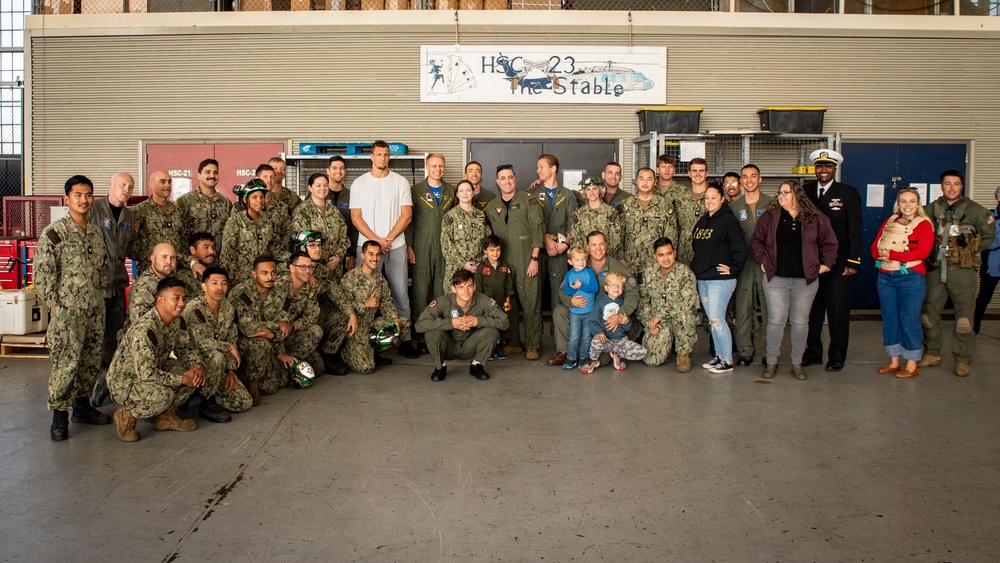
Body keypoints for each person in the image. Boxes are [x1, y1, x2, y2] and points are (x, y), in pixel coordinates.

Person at [35, 175, 110, 441]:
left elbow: (102, 270)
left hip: (93, 310)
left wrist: (100, 298)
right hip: (68, 313)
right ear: (67, 198)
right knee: (66, 365)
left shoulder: (96, 232)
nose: (84, 200)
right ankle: (59, 416)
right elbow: (43, 275)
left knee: (90, 362)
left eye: (88, 195)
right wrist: (55, 305)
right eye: (78, 195)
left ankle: (82, 407)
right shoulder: (55, 233)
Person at [752, 179, 838, 380]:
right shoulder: (770, 216)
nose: (781, 196)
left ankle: (796, 363)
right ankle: (771, 362)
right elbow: (757, 240)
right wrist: (762, 261)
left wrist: (826, 265)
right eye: (779, 193)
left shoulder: (815, 218)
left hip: (805, 281)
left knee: (800, 322)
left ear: (796, 195)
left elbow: (830, 243)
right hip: (776, 279)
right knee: (775, 321)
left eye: (785, 193)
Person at [918, 170, 996, 377]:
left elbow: (989, 237)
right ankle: (932, 353)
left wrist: (971, 252)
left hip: (963, 272)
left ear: (962, 186)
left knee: (964, 318)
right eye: (947, 184)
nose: (952, 188)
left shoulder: (977, 211)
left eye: (956, 184)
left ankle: (962, 359)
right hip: (935, 269)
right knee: (927, 314)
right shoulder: (929, 210)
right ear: (941, 186)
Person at [108, 278, 205, 442]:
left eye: (184, 298)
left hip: (154, 369)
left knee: (194, 375)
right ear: (160, 300)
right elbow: (146, 374)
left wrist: (197, 366)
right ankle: (127, 415)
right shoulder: (145, 330)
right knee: (165, 395)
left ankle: (165, 416)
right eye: (176, 298)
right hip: (126, 382)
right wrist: (182, 379)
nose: (182, 303)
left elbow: (185, 348)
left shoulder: (176, 320)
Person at [349, 140, 418, 358]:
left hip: (395, 245)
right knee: (367, 295)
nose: (383, 158)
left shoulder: (400, 182)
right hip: (368, 247)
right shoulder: (359, 184)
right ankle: (369, 343)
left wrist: (388, 238)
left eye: (386, 155)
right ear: (371, 157)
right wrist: (376, 242)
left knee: (400, 294)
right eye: (379, 154)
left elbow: (406, 215)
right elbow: (356, 218)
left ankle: (405, 340)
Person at [802, 149, 863, 372]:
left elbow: (855, 230)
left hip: (839, 264)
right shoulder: (806, 191)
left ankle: (836, 356)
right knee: (812, 312)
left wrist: (853, 261)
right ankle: (813, 353)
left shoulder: (847, 193)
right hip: (813, 263)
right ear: (815, 169)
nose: (823, 170)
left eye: (828, 166)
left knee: (837, 313)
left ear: (835, 169)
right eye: (820, 166)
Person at [550, 230, 639, 366]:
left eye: (601, 244)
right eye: (594, 245)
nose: (598, 249)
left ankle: (591, 351)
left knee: (601, 360)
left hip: (604, 319)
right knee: (560, 311)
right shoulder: (579, 264)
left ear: (607, 245)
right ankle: (564, 352)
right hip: (581, 310)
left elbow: (632, 294)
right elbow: (563, 290)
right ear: (587, 247)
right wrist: (571, 301)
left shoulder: (617, 267)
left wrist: (620, 315)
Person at [871, 188, 934, 378]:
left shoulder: (924, 225)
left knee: (909, 319)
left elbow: (923, 252)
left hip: (910, 277)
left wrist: (892, 255)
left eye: (912, 201)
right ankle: (894, 361)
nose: (907, 205)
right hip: (886, 276)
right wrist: (877, 255)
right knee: (890, 319)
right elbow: (876, 245)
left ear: (918, 204)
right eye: (903, 201)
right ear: (898, 204)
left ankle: (912, 364)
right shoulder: (890, 221)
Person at [484, 164, 545, 360]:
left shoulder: (529, 200)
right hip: (503, 261)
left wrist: (534, 258)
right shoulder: (492, 206)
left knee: (531, 302)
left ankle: (533, 344)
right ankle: (514, 342)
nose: (507, 181)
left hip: (526, 258)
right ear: (497, 181)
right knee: (508, 302)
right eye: (502, 178)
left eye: (510, 177)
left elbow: (538, 231)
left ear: (515, 179)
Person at [87, 171, 137, 408]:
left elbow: (130, 249)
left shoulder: (129, 215)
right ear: (110, 185)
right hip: (95, 287)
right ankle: (86, 392)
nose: (126, 189)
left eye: (130, 186)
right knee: (92, 339)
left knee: (113, 338)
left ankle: (105, 382)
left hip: (117, 285)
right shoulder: (94, 209)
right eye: (122, 185)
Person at [182, 265, 253, 421]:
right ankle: (207, 402)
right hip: (194, 361)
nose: (220, 287)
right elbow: (195, 342)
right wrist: (226, 347)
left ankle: (204, 390)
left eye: (224, 283)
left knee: (244, 402)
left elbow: (231, 339)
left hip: (218, 365)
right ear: (203, 286)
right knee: (216, 356)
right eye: (214, 283)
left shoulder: (228, 309)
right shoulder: (193, 309)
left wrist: (230, 371)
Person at [690, 183, 747, 373]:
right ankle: (719, 356)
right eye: (707, 197)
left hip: (720, 281)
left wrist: (733, 268)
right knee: (711, 320)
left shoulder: (728, 221)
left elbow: (741, 248)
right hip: (703, 278)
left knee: (717, 319)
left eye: (714, 197)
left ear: (722, 199)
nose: (709, 201)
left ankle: (728, 360)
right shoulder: (703, 221)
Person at [414, 269, 510, 382]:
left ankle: (477, 365)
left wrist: (478, 321)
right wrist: (451, 323)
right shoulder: (443, 301)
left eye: (469, 286)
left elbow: (505, 322)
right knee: (432, 332)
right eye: (461, 287)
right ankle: (440, 367)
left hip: (471, 346)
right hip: (448, 346)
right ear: (453, 288)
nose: (466, 291)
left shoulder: (484, 300)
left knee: (492, 332)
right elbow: (419, 325)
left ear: (474, 286)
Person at [406, 153, 455, 353]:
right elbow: (408, 219)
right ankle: (419, 336)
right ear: (427, 167)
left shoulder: (450, 190)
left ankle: (440, 334)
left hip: (444, 247)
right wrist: (409, 246)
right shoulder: (415, 190)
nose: (438, 169)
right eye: (434, 165)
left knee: (441, 290)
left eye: (441, 166)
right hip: (421, 245)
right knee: (420, 290)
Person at [339, 241, 411, 374]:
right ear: (362, 255)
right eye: (370, 254)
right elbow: (342, 306)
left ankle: (372, 350)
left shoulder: (379, 279)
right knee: (366, 368)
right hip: (354, 331)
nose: (375, 258)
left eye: (378, 255)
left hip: (371, 326)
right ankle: (346, 352)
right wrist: (364, 304)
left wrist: (394, 319)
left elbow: (387, 302)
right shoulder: (350, 278)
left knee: (403, 323)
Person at [229, 255, 291, 405]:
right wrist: (275, 325)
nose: (270, 277)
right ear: (254, 274)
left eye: (273, 272)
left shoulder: (281, 293)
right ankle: (252, 382)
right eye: (264, 273)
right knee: (259, 343)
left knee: (275, 385)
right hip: (241, 343)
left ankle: (256, 374)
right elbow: (249, 329)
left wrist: (273, 334)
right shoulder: (241, 293)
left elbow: (286, 326)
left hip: (270, 342)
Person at [291, 231, 350, 376]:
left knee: (318, 368)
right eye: (312, 245)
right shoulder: (287, 271)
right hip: (288, 326)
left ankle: (328, 354)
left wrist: (352, 314)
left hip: (307, 322)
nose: (317, 249)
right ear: (302, 248)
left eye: (319, 245)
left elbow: (337, 294)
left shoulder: (323, 271)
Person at [639, 238, 698, 372]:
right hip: (658, 322)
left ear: (675, 253)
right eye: (661, 255)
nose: (666, 258)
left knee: (684, 317)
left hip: (678, 318)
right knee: (652, 360)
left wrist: (659, 315)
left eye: (669, 253)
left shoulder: (685, 273)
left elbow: (687, 302)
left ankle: (683, 354)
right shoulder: (648, 274)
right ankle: (668, 343)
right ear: (655, 256)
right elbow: (643, 301)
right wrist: (649, 322)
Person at [730, 164, 768, 367]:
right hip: (744, 263)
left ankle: (770, 352)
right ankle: (745, 350)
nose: (749, 180)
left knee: (770, 308)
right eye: (745, 177)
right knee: (743, 307)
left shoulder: (772, 204)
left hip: (766, 263)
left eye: (753, 176)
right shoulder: (735, 207)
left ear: (760, 179)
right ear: (741, 181)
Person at [532, 154, 579, 311]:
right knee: (534, 296)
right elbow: (530, 222)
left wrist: (566, 244)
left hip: (560, 251)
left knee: (559, 295)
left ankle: (558, 335)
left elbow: (574, 223)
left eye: (541, 167)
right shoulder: (532, 193)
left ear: (553, 168)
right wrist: (545, 239)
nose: (538, 170)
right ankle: (534, 336)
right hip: (537, 250)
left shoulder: (567, 195)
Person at [618, 167, 677, 283]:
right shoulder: (625, 205)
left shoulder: (665, 206)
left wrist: (667, 260)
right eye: (641, 179)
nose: (645, 183)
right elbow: (618, 234)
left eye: (649, 179)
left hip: (656, 264)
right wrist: (621, 258)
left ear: (655, 182)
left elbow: (671, 236)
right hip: (630, 263)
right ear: (636, 181)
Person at [272, 251, 327, 376]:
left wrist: (295, 326)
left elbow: (312, 315)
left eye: (310, 267)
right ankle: (279, 362)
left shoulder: (309, 287)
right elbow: (273, 321)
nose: (307, 271)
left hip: (291, 333)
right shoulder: (280, 286)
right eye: (303, 267)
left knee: (318, 367)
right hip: (274, 337)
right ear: (291, 268)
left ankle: (289, 362)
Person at [580, 271, 646, 373]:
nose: (616, 288)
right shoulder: (600, 303)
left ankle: (618, 355)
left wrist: (627, 322)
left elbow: (627, 328)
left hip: (620, 340)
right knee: (596, 342)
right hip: (606, 340)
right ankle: (593, 360)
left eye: (620, 286)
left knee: (643, 352)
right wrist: (599, 332)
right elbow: (592, 322)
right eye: (613, 285)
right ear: (606, 288)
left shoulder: (623, 303)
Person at [220, 179, 280, 288]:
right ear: (245, 199)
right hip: (242, 281)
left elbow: (274, 249)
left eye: (262, 197)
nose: (259, 201)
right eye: (254, 197)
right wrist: (233, 279)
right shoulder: (235, 222)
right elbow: (227, 255)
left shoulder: (267, 222)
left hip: (264, 280)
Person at [291, 172, 351, 277]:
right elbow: (302, 243)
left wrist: (338, 256)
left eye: (325, 185)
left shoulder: (334, 211)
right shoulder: (302, 212)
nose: (322, 188)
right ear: (310, 187)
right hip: (313, 270)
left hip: (335, 268)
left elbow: (344, 238)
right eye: (318, 185)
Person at [176, 158, 232, 264]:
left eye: (215, 173)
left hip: (218, 262)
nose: (212, 175)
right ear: (199, 175)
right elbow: (180, 235)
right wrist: (189, 261)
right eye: (207, 172)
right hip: (194, 263)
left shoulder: (226, 202)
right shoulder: (185, 201)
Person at [441, 179, 490, 295]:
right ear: (457, 194)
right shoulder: (450, 216)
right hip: (456, 270)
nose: (465, 193)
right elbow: (446, 246)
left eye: (468, 190)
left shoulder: (480, 215)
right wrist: (463, 264)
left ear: (473, 193)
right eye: (461, 191)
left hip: (477, 270)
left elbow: (488, 242)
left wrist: (480, 262)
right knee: (454, 306)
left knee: (476, 305)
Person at [133, 170, 186, 274]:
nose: (167, 185)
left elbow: (183, 239)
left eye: (169, 182)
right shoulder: (140, 211)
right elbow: (131, 243)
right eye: (162, 182)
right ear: (151, 184)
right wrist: (146, 257)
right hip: (150, 270)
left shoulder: (177, 211)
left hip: (174, 270)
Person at [475, 235, 516, 359]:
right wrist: (483, 304)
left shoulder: (504, 266)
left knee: (501, 325)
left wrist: (507, 301)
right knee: (489, 326)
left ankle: (499, 349)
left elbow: (508, 286)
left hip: (501, 303)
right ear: (485, 251)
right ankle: (490, 350)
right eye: (492, 250)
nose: (495, 253)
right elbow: (479, 288)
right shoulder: (482, 267)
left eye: (498, 250)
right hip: (487, 306)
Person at [561, 246, 599, 369]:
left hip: (589, 310)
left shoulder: (589, 272)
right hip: (575, 312)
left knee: (586, 336)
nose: (581, 262)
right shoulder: (569, 274)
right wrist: (572, 290)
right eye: (577, 260)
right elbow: (565, 289)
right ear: (570, 262)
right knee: (574, 336)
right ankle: (571, 358)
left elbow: (595, 288)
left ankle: (583, 357)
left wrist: (581, 286)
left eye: (583, 259)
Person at [570, 176, 622, 262]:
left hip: (607, 261)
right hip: (585, 262)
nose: (591, 192)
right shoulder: (578, 214)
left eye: (594, 189)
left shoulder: (611, 212)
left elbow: (616, 240)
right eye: (588, 190)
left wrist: (601, 256)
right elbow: (575, 240)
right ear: (584, 192)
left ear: (600, 190)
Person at [671, 157, 710, 266]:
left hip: (709, 251)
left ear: (707, 173)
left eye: (701, 171)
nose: (698, 174)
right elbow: (674, 226)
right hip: (684, 253)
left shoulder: (714, 197)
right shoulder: (680, 198)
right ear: (689, 173)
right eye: (694, 171)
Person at [973, 187, 1000, 335]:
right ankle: (974, 328)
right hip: (992, 264)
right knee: (984, 296)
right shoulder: (989, 217)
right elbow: (987, 242)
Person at [326, 156, 357, 271]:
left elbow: (355, 227)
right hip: (321, 254)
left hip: (345, 253)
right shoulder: (318, 193)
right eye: (334, 168)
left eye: (341, 168)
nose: (338, 171)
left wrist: (352, 254)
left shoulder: (352, 195)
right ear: (328, 171)